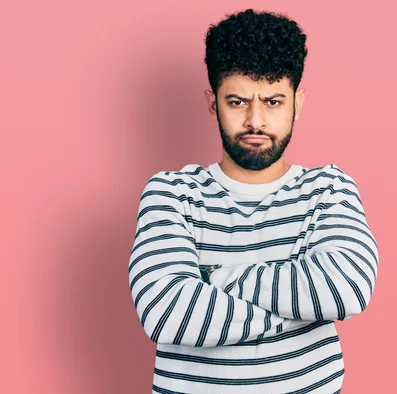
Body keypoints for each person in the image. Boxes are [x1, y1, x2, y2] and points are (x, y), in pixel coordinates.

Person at [128, 8, 379, 393]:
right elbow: (167, 313)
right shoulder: (171, 193)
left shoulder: (328, 188)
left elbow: (347, 287)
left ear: (298, 102)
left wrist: (215, 277)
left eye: (274, 101)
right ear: (213, 104)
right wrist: (301, 308)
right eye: (238, 102)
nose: (256, 121)